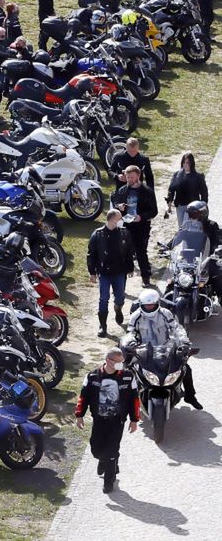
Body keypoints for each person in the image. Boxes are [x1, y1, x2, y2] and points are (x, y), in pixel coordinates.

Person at [128, 286, 202, 409]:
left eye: (152, 305)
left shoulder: (165, 313)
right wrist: (130, 343)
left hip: (165, 349)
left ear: (157, 303)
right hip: (143, 351)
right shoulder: (136, 316)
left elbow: (176, 328)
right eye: (146, 305)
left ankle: (190, 396)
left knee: (185, 369)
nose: (149, 307)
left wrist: (184, 341)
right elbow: (130, 333)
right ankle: (127, 401)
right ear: (141, 304)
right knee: (129, 370)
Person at [76, 348, 138, 493]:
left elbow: (134, 399)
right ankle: (104, 459)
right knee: (96, 450)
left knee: (111, 450)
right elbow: (83, 397)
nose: (121, 365)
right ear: (108, 361)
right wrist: (79, 415)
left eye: (122, 362)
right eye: (118, 362)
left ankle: (109, 481)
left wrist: (134, 420)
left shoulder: (128, 376)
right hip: (99, 420)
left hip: (117, 421)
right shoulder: (92, 376)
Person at [86, 211, 134, 337]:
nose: (121, 220)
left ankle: (118, 309)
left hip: (119, 272)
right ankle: (103, 326)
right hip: (104, 273)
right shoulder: (98, 234)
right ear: (112, 219)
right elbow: (91, 254)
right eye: (119, 218)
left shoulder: (124, 233)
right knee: (103, 299)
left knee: (120, 297)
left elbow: (129, 251)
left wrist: (130, 268)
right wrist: (92, 272)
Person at [112, 165, 158, 285]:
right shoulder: (123, 190)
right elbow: (116, 201)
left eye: (132, 177)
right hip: (127, 225)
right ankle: (122, 280)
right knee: (123, 252)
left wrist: (141, 217)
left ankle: (146, 277)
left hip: (141, 226)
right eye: (128, 177)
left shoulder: (147, 191)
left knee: (141, 252)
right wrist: (119, 207)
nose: (130, 180)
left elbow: (154, 211)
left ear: (138, 176)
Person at [167, 151, 209, 217]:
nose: (185, 164)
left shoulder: (198, 176)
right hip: (180, 206)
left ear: (192, 163)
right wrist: (169, 200)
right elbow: (171, 189)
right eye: (183, 162)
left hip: (194, 207)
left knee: (193, 226)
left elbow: (204, 193)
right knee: (182, 227)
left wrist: (202, 206)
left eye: (187, 163)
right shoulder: (177, 175)